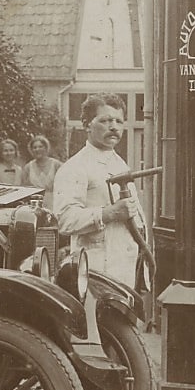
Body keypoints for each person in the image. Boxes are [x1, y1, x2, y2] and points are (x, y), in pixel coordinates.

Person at [53, 94, 138, 287]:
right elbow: (64, 220)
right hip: (94, 274)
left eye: (119, 121)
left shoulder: (120, 164)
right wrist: (109, 213)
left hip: (125, 275)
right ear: (86, 125)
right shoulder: (75, 167)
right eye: (105, 121)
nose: (114, 127)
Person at [20, 134, 62, 210]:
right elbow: (23, 189)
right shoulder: (28, 167)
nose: (37, 149)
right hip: (35, 204)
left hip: (54, 203)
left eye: (40, 146)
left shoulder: (56, 165)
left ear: (46, 148)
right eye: (34, 147)